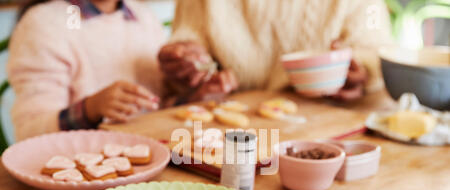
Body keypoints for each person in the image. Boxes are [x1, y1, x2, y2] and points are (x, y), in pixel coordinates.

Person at [158, 0, 393, 104]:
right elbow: (186, 42)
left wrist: (361, 71)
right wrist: (185, 61)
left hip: (328, 120)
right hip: (228, 134)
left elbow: (376, 50)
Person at [8, 0, 165, 141]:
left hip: (156, 152)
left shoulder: (143, 15)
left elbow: (165, 103)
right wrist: (90, 109)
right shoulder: (44, 23)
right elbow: (29, 132)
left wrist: (182, 80)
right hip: (79, 163)